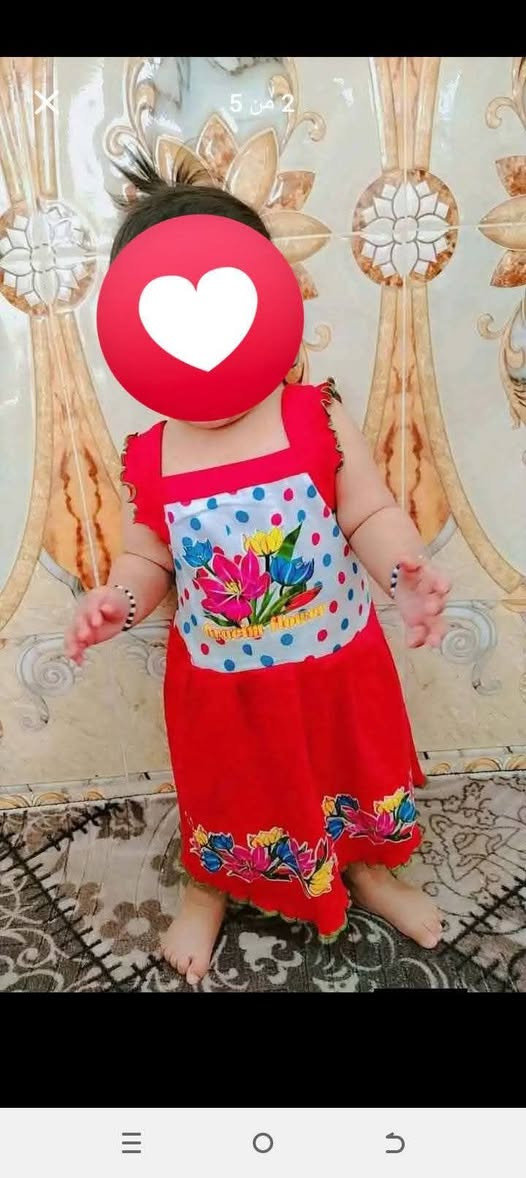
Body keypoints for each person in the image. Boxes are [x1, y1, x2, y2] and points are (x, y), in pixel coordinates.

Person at [65, 153, 451, 986]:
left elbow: (369, 513)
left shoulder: (317, 415)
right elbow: (147, 558)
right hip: (224, 688)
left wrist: (404, 570)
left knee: (350, 772)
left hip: (336, 666)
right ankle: (208, 887)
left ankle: (365, 869)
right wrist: (118, 599)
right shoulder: (152, 455)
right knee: (227, 790)